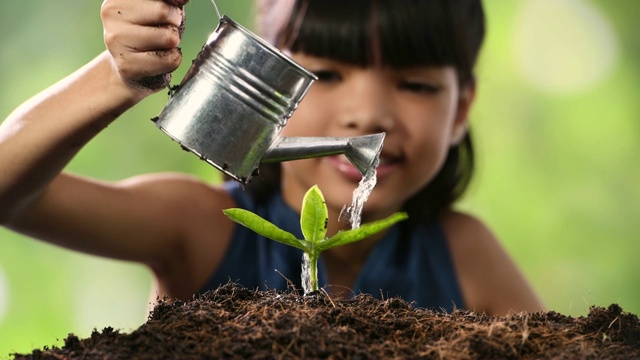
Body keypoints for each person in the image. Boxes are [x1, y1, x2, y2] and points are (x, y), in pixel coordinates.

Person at [0, 0, 544, 315]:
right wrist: (117, 76)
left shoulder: (463, 253)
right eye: (325, 75)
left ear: (461, 109)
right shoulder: (200, 228)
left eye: (417, 85)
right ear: (269, 80)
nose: (369, 114)